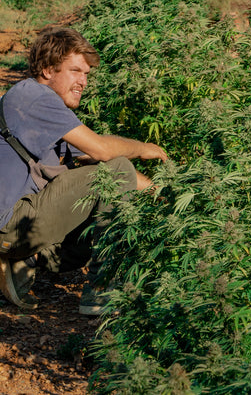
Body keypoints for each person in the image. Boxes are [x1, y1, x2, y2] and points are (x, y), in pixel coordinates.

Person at [0, 27, 167, 315]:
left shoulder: (44, 114)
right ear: (47, 69)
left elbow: (101, 163)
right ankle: (101, 292)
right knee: (116, 168)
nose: (83, 81)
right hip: (11, 223)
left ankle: (19, 259)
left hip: (19, 227)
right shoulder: (33, 96)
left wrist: (160, 193)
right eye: (76, 71)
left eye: (87, 75)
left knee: (113, 176)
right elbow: (104, 152)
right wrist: (143, 147)